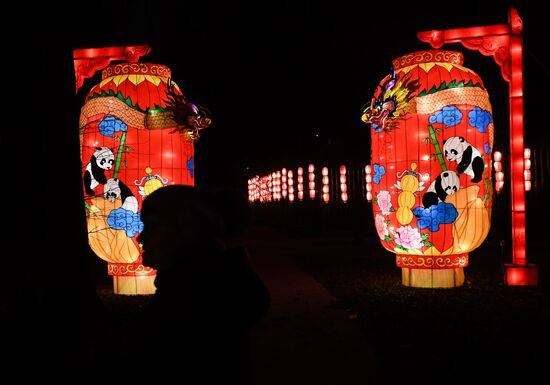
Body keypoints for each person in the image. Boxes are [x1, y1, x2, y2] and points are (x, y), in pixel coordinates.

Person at [137, 184, 271, 384]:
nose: (141, 238)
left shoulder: (191, 303)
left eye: (152, 226)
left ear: (186, 230)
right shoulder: (213, 288)